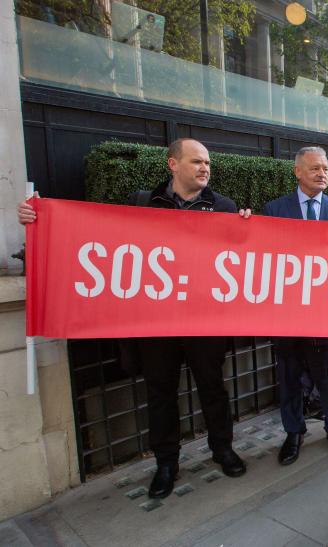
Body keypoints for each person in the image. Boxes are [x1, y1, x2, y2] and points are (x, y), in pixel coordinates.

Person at [18, 138, 252, 499]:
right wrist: (38, 222)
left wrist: (248, 228)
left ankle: (222, 449)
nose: (205, 168)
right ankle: (166, 463)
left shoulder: (224, 207)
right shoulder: (141, 203)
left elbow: (245, 257)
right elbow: (93, 238)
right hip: (155, 322)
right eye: (196, 161)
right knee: (160, 393)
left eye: (207, 162)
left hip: (206, 321)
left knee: (213, 388)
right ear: (172, 164)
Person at [263, 146, 328, 465]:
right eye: (315, 168)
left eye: (326, 168)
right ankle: (294, 432)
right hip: (288, 313)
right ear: (297, 172)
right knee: (289, 374)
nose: (322, 173)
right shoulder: (274, 210)